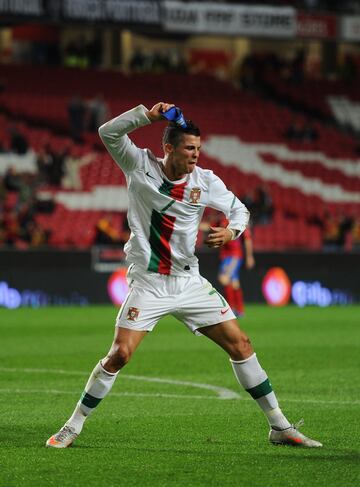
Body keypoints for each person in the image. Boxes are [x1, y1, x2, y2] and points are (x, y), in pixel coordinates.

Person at [46, 102, 322, 449]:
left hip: (189, 282)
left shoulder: (205, 181)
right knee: (120, 354)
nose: (195, 155)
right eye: (189, 148)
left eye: (198, 149)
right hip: (149, 283)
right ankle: (73, 425)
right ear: (168, 148)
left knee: (242, 344)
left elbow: (240, 210)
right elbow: (107, 132)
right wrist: (147, 115)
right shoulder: (138, 164)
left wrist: (232, 232)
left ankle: (279, 426)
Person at [218, 223, 255, 317]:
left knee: (224, 278)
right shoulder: (221, 218)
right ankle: (239, 310)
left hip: (234, 255)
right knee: (234, 283)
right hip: (225, 256)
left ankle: (231, 309)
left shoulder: (239, 219)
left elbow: (247, 239)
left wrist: (249, 256)